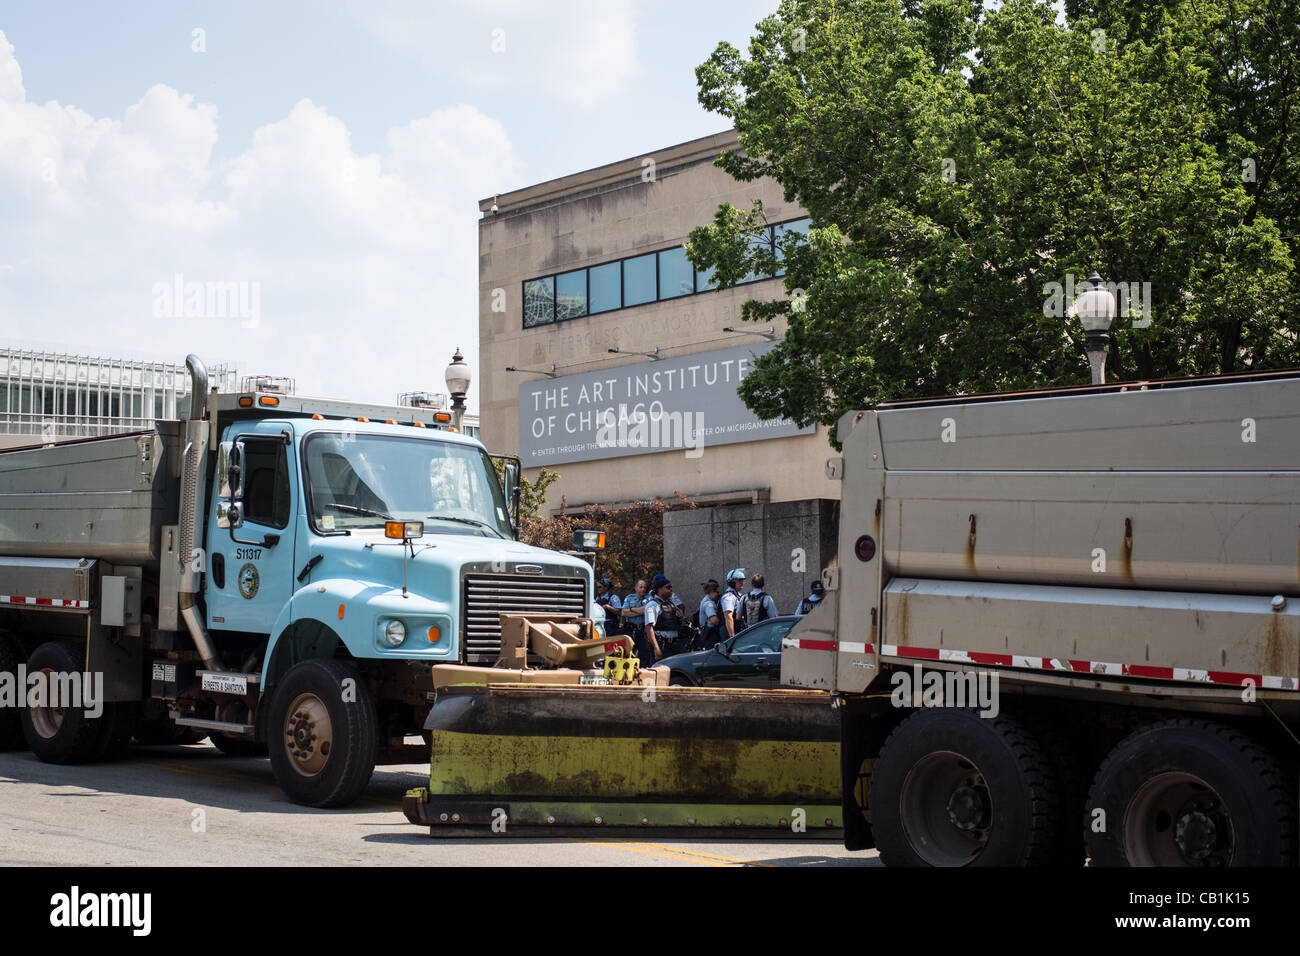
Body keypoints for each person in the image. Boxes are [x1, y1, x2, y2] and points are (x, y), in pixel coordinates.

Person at [642, 574, 683, 663]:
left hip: (675, 644)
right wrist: (656, 648)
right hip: (662, 645)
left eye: (671, 587)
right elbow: (649, 628)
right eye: (668, 587)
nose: (671, 590)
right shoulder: (652, 605)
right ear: (660, 589)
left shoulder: (671, 604)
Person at [620, 579, 648, 646]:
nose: (643, 589)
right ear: (636, 588)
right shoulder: (629, 598)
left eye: (644, 587)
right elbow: (623, 612)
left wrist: (631, 609)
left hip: (643, 630)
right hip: (630, 629)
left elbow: (646, 610)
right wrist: (641, 611)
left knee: (643, 653)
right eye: (641, 587)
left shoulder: (648, 598)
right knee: (629, 650)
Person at [720, 569, 747, 639]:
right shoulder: (728, 597)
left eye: (742, 580)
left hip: (737, 630)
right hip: (729, 632)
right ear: (732, 582)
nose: (742, 583)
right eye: (739, 581)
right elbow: (728, 617)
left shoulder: (737, 595)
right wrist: (732, 637)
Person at [697, 579, 721, 646]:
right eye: (717, 592)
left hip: (708, 633)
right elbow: (714, 620)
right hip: (710, 633)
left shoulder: (706, 600)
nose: (718, 594)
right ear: (712, 591)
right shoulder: (708, 604)